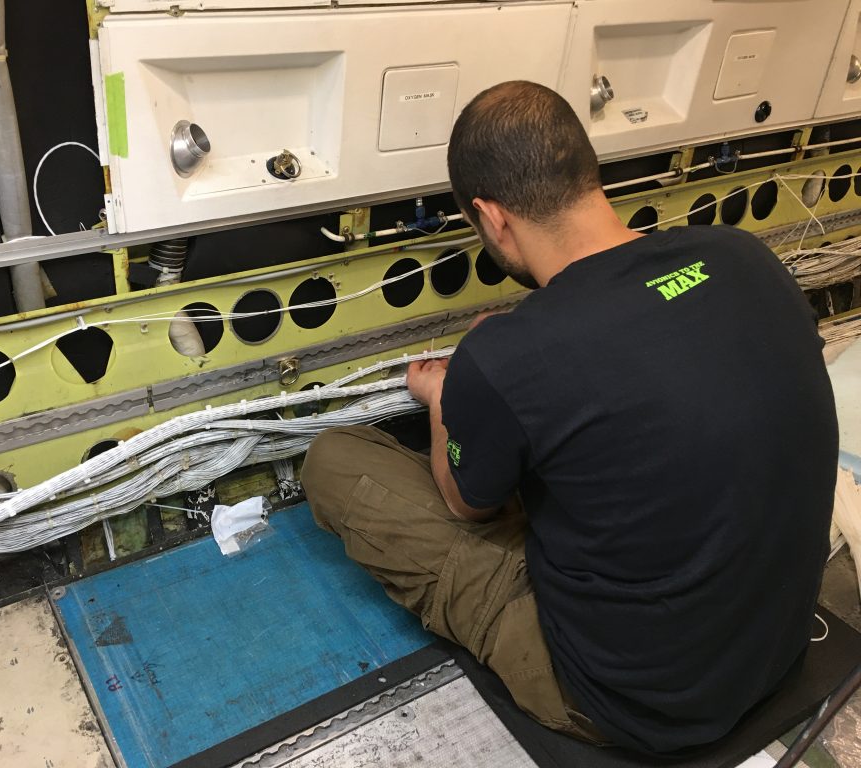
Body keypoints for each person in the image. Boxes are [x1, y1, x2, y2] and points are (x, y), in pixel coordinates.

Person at [300, 80, 838, 754]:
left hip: (635, 702)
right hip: (771, 648)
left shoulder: (506, 356)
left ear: (492, 218)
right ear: (588, 172)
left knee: (336, 461)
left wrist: (448, 399)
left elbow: (464, 506)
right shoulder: (743, 257)